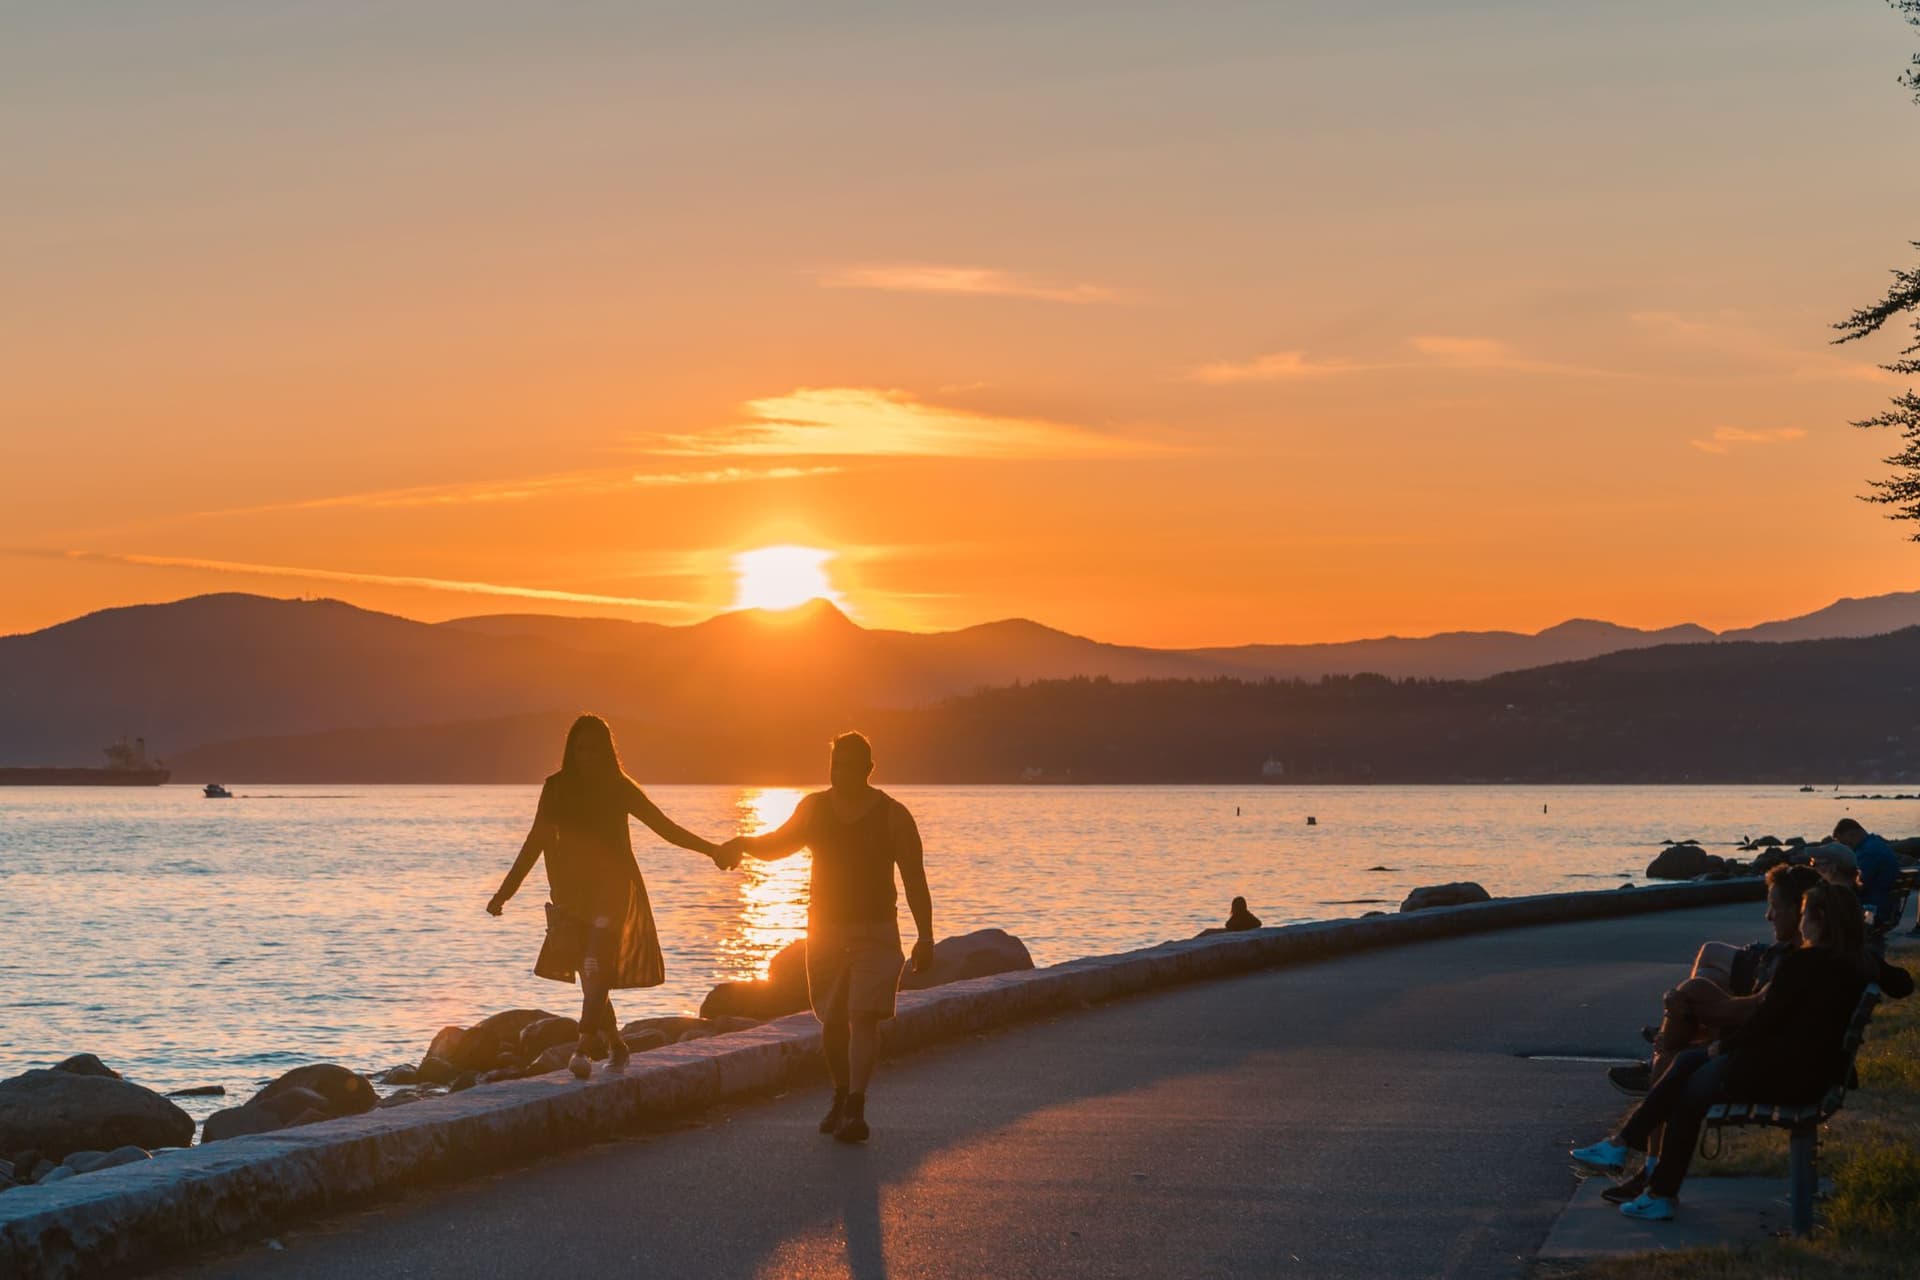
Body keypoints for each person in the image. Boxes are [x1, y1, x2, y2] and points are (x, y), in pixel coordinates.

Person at [1571, 882, 1910, 1222]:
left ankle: (1649, 1180)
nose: (1801, 921)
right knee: (1688, 1063)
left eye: (1805, 913)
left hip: (1788, 1076)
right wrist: (1871, 960)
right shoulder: (1855, 962)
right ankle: (1624, 1149)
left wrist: (1720, 1047)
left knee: (1688, 1089)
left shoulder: (1800, 964)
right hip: (1810, 1072)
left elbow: (1765, 1023)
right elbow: (1904, 983)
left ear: (1819, 919)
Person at [488, 714, 734, 1079]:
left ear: (607, 753)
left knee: (594, 962)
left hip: (613, 892)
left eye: (595, 750)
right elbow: (535, 842)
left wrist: (712, 850)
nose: (587, 756)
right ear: (571, 751)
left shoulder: (619, 788)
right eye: (581, 748)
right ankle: (617, 1044)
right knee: (592, 977)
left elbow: (664, 827)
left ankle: (584, 1043)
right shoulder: (555, 788)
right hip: (571, 896)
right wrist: (504, 894)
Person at [722, 732, 933, 1144]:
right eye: (836, 764)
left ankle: (856, 1106)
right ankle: (840, 1094)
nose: (841, 773)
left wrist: (925, 937)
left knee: (863, 1017)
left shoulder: (894, 815)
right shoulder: (815, 808)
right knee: (833, 1022)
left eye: (851, 765)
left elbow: (914, 879)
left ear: (869, 769)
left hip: (875, 932)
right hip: (824, 930)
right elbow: (778, 844)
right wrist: (743, 844)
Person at [1830, 818, 1902, 932]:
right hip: (1886, 907)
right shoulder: (1876, 844)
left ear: (1853, 834)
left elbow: (1857, 884)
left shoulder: (1868, 853)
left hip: (1871, 913)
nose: (1845, 847)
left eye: (1845, 843)